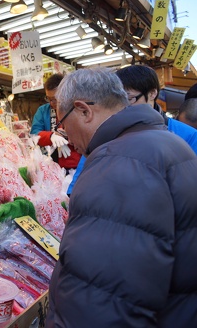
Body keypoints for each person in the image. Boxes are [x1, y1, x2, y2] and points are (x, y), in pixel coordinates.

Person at [46, 67, 197, 328]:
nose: (67, 138)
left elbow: (103, 300)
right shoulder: (168, 143)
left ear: (84, 110)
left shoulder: (118, 164)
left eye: (63, 124)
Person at [67, 64, 197, 195]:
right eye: (118, 100)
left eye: (129, 99)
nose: (123, 106)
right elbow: (80, 178)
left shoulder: (188, 135)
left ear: (152, 93)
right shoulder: (105, 132)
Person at [30, 73, 82, 170]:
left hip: (78, 164)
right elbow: (34, 134)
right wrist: (51, 136)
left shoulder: (76, 108)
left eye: (55, 99)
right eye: (48, 99)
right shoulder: (43, 110)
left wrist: (66, 137)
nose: (51, 103)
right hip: (50, 165)